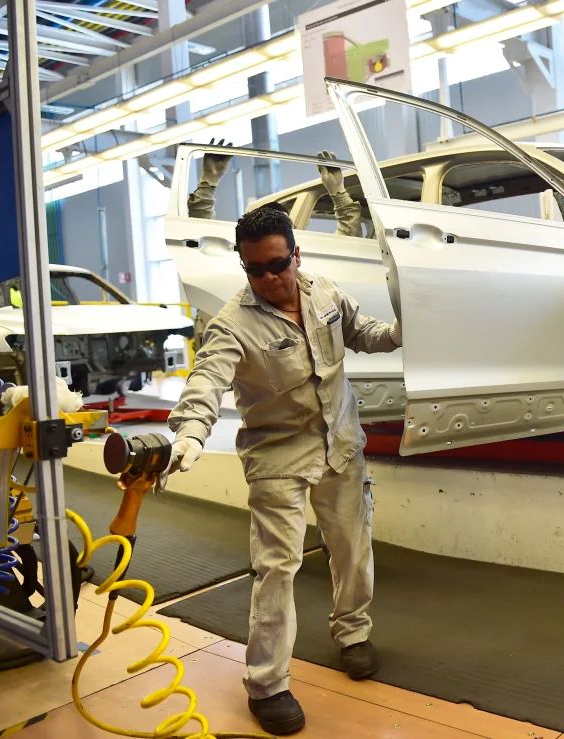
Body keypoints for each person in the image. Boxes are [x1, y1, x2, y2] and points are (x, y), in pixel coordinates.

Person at [160, 201, 401, 735]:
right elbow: (206, 382)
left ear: (297, 253)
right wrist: (189, 435)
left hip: (340, 445)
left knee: (352, 548)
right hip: (278, 457)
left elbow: (367, 334)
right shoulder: (232, 324)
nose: (269, 278)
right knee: (276, 568)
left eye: (277, 265)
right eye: (255, 270)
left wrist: (408, 326)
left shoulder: (326, 293)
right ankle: (267, 685)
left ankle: (353, 633)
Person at [187, 140, 361, 239]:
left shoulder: (305, 263)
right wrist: (207, 183)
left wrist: (338, 191)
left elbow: (349, 241)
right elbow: (204, 236)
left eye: (285, 228)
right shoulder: (247, 264)